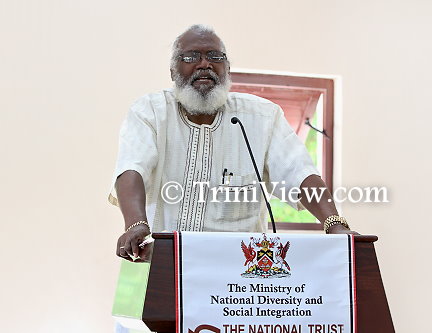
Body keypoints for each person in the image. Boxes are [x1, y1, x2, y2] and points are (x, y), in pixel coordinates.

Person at [109, 24, 355, 263]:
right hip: (164, 264)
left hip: (239, 276)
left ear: (227, 68)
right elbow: (132, 168)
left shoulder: (263, 117)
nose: (204, 63)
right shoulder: (150, 111)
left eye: (214, 56)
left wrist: (334, 224)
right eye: (191, 56)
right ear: (173, 71)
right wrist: (136, 223)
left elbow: (299, 173)